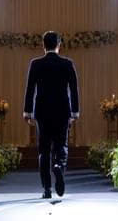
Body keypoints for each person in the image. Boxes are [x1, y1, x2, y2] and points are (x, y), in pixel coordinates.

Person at [23, 30, 79, 199]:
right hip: (62, 110)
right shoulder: (67, 64)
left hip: (42, 111)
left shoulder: (35, 64)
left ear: (43, 45)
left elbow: (30, 89)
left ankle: (47, 189)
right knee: (62, 145)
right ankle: (59, 166)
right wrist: (75, 111)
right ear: (59, 45)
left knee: (44, 150)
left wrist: (27, 112)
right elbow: (74, 89)